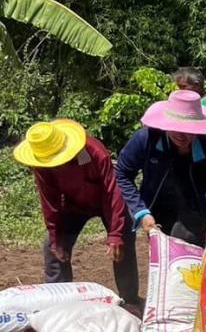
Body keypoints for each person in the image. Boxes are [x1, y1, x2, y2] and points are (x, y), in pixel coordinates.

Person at [15, 119, 141, 310]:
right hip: (73, 205)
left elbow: (112, 191)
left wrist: (115, 234)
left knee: (124, 240)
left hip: (106, 200)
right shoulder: (41, 164)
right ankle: (58, 302)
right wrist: (56, 236)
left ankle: (130, 300)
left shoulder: (94, 151)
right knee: (52, 246)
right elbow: (50, 201)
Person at [115, 89, 206, 245]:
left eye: (188, 129)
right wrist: (141, 211)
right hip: (156, 209)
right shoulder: (145, 139)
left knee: (187, 244)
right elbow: (122, 173)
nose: (180, 134)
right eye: (175, 127)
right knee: (162, 252)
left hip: (196, 210)